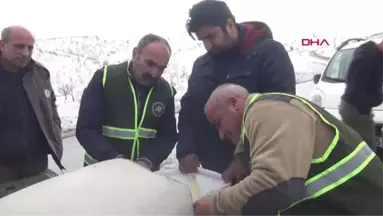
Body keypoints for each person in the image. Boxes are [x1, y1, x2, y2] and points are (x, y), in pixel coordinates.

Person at [193, 83, 383, 216]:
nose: (221, 135)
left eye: (218, 123)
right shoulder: (267, 113)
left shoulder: (265, 110)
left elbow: (275, 185)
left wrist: (216, 205)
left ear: (234, 103)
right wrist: (241, 161)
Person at [177, 0, 296, 183]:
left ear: (230, 25)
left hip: (257, 171)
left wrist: (243, 159)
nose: (208, 46)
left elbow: (281, 114)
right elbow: (188, 111)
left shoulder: (269, 54)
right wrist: (186, 150)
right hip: (211, 174)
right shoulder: (201, 66)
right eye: (203, 41)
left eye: (211, 36)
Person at [76, 34, 177, 171]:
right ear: (136, 54)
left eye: (161, 68)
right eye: (150, 64)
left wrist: (148, 160)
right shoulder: (105, 79)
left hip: (143, 175)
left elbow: (167, 136)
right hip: (100, 173)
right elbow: (86, 129)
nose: (154, 73)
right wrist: (114, 160)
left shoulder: (166, 92)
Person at [0, 26, 64, 198]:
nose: (26, 53)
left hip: (36, 164)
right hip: (3, 170)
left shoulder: (39, 73)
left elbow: (52, 111)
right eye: (19, 46)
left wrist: (56, 140)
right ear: (2, 45)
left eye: (30, 47)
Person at [339, 39, 383, 153]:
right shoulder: (367, 58)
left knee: (352, 147)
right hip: (356, 110)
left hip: (353, 107)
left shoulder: (372, 55)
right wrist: (373, 101)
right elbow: (355, 88)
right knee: (367, 151)